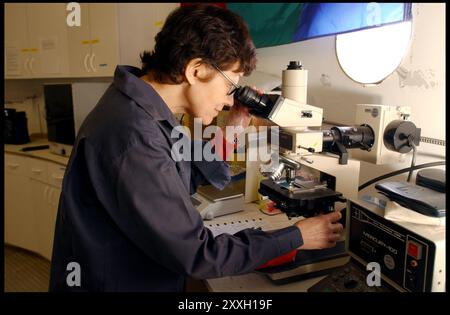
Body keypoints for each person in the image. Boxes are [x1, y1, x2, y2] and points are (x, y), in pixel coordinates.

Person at [49, 4, 343, 292]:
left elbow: (184, 173)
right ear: (196, 69)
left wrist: (237, 122)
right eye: (230, 86)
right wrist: (296, 237)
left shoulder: (142, 111)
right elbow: (198, 254)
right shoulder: (134, 135)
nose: (230, 99)